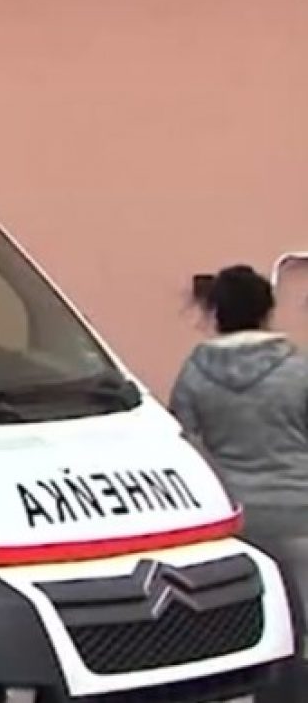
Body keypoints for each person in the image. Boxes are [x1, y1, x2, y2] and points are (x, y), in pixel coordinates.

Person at [169, 264, 308, 693]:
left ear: (216, 313)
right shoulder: (299, 371)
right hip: (300, 514)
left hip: (235, 521)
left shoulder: (194, 374)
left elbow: (185, 446)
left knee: (253, 630)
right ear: (268, 310)